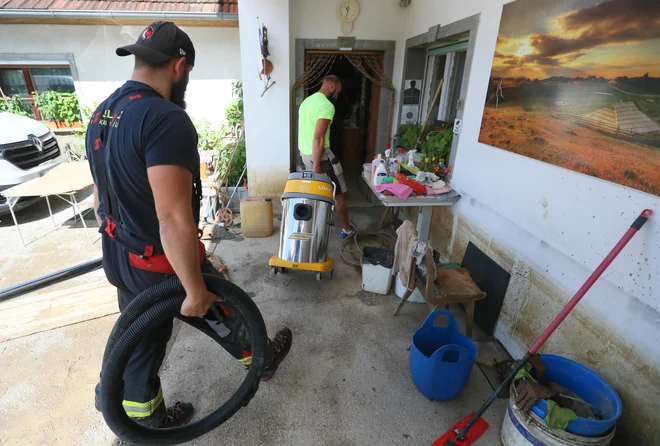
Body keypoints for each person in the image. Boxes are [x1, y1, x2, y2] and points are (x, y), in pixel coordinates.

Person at [86, 21, 292, 429]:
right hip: (162, 264)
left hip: (120, 254)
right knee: (225, 311)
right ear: (180, 65)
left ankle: (145, 418)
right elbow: (173, 217)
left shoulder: (103, 112)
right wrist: (195, 289)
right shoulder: (165, 119)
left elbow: (98, 198)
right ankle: (261, 360)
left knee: (142, 338)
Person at [298, 75, 354, 239]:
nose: (338, 94)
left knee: (313, 192)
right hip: (320, 159)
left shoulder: (306, 102)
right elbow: (319, 137)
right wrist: (316, 167)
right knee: (338, 194)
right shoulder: (326, 106)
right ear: (332, 86)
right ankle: (347, 230)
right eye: (338, 91)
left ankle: (311, 228)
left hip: (304, 155)